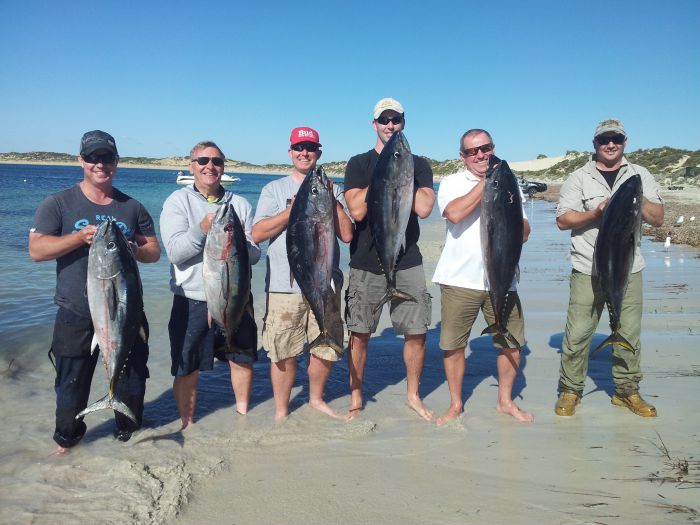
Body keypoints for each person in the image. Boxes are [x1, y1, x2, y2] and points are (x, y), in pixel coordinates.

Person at [29, 130, 161, 454]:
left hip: (125, 311)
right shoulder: (58, 203)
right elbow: (37, 250)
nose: (100, 164)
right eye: (93, 158)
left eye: (107, 158)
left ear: (116, 162)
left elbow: (154, 251)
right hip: (75, 313)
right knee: (70, 388)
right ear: (81, 161)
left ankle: (128, 436)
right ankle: (68, 443)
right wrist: (77, 239)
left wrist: (133, 248)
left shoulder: (132, 207)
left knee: (132, 381)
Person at [555, 118, 664, 417]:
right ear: (595, 144)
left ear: (625, 141)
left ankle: (627, 391)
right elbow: (563, 220)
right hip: (587, 266)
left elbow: (658, 218)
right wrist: (596, 212)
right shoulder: (578, 177)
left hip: (629, 268)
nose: (611, 144)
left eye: (616, 138)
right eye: (605, 139)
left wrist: (634, 200)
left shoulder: (639, 175)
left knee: (628, 331)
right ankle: (570, 390)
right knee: (578, 333)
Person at [431, 129, 534, 425]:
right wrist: (488, 181)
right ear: (462, 156)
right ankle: (455, 404)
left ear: (493, 147)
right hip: (460, 279)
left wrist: (517, 222)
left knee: (511, 342)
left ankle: (505, 401)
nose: (480, 155)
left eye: (485, 148)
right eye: (473, 151)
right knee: (453, 345)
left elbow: (524, 230)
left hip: (503, 278)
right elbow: (454, 213)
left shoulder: (509, 182)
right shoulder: (452, 182)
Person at [252, 127, 353, 420]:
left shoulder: (333, 190)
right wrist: (291, 211)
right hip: (285, 286)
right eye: (299, 147)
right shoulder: (273, 190)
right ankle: (282, 410)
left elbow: (347, 235)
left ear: (318, 152)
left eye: (310, 147)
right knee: (283, 349)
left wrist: (331, 200)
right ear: (290, 152)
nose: (304, 152)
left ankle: (316, 399)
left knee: (326, 344)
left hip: (326, 283)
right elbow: (257, 233)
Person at [343, 98, 435, 421]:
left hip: (407, 260)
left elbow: (423, 207)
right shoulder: (358, 164)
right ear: (374, 124)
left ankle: (412, 394)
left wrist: (401, 171)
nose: (390, 125)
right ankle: (356, 395)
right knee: (359, 331)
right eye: (384, 120)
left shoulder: (417, 164)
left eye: (396, 120)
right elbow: (356, 210)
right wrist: (385, 173)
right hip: (366, 262)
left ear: (403, 124)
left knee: (416, 330)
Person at [160, 141, 260, 428]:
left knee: (241, 358)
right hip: (192, 299)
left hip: (237, 295)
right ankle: (187, 423)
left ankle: (242, 414)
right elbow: (176, 252)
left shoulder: (239, 204)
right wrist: (203, 229)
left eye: (216, 161)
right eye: (202, 160)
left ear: (223, 166)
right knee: (188, 365)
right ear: (191, 166)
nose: (210, 166)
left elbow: (253, 255)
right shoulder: (178, 202)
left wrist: (238, 239)